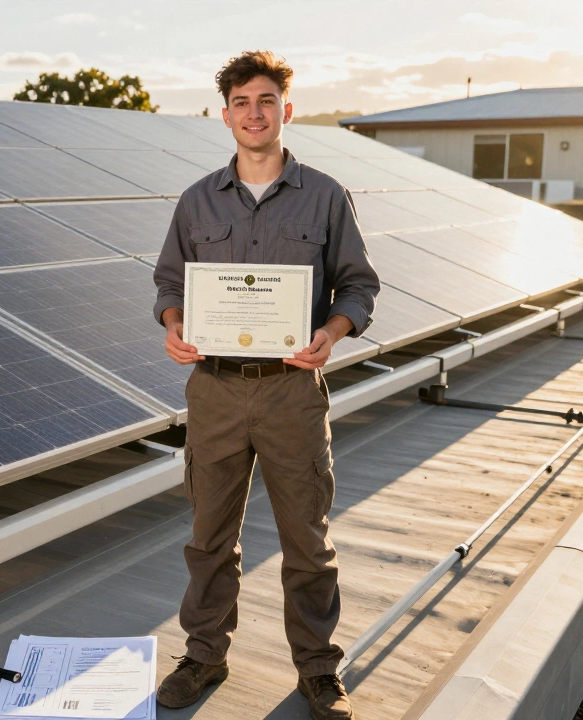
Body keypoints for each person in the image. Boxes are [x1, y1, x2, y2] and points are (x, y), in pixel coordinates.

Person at [150, 50, 380, 720]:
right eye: (241, 102)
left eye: (266, 100)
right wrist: (172, 326)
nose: (254, 113)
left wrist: (331, 334)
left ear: (287, 108)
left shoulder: (326, 195)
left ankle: (316, 672)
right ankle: (204, 654)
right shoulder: (196, 201)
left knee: (307, 541)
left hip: (290, 392)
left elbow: (358, 285)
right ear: (225, 115)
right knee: (208, 537)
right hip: (216, 391)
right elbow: (171, 283)